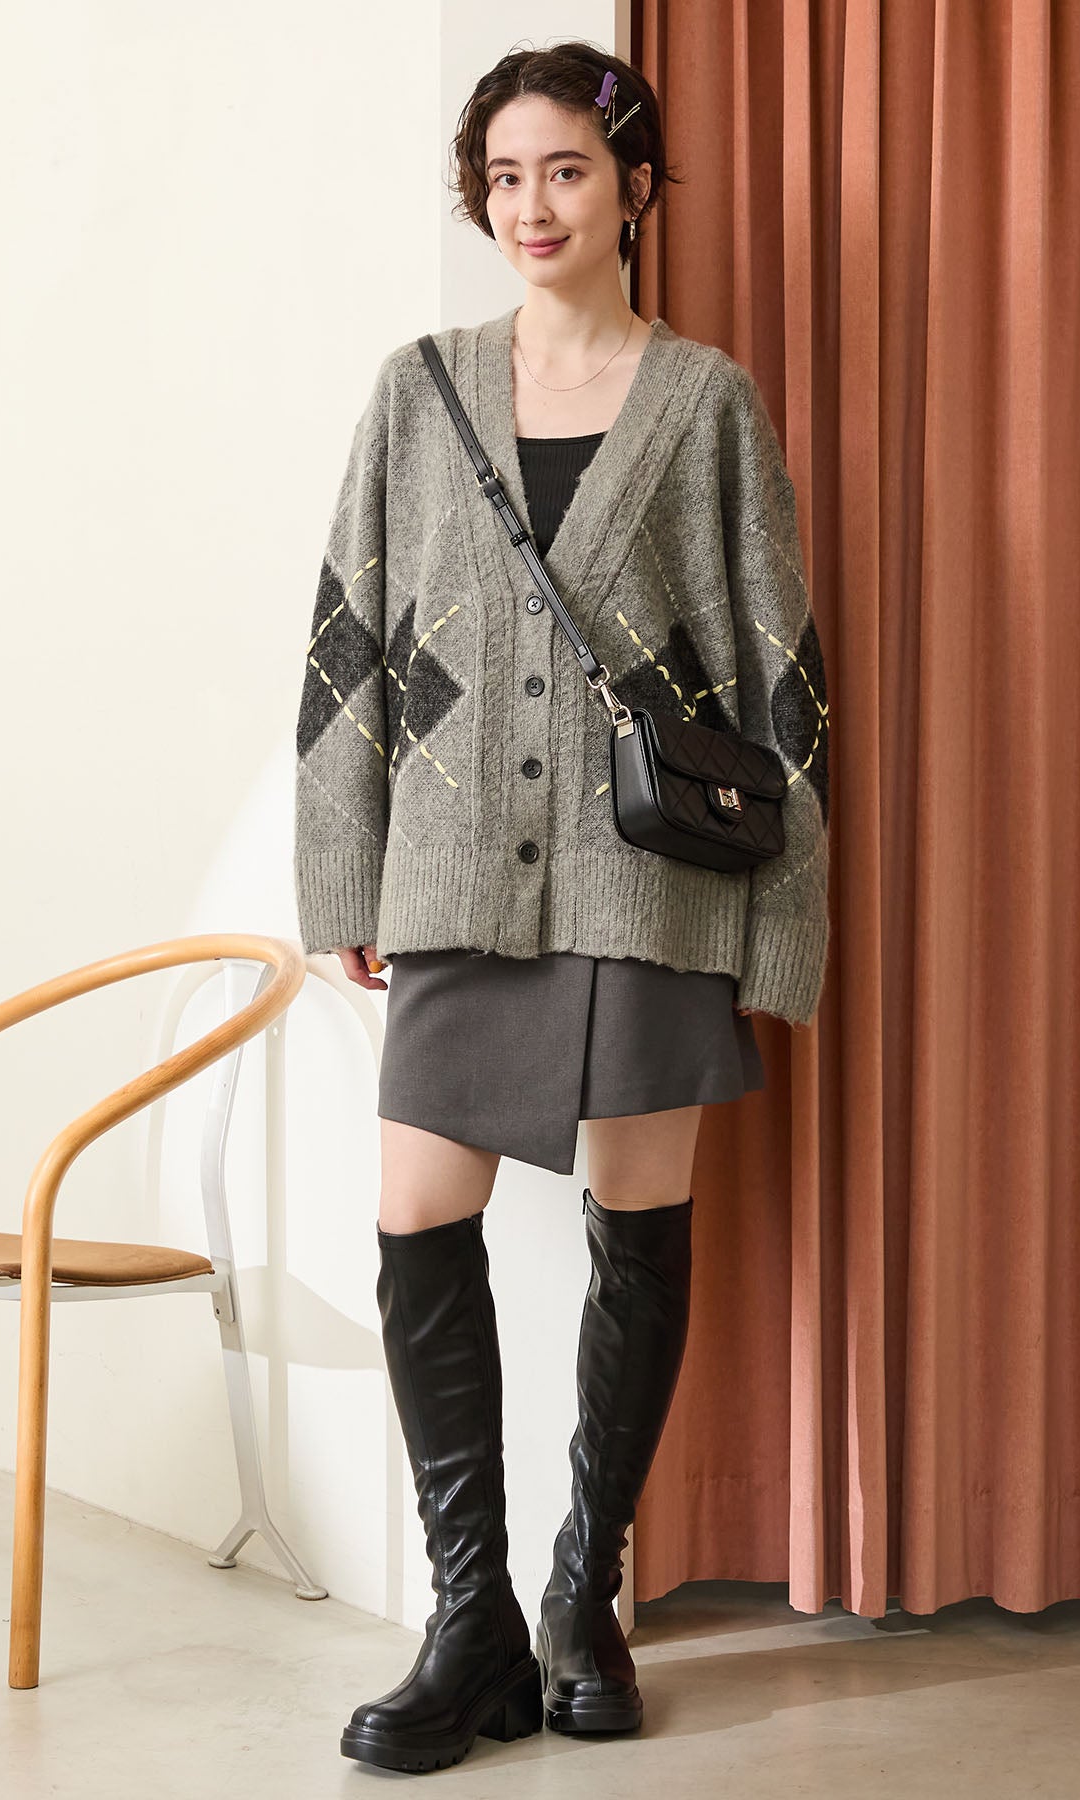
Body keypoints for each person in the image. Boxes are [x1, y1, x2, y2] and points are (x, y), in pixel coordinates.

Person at [293, 40, 830, 1775]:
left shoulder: (707, 403)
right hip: (455, 870)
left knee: (639, 1219)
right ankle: (469, 1626)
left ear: (635, 189)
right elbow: (349, 642)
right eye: (506, 177)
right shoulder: (419, 390)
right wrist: (343, 872)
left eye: (568, 171)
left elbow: (779, 671)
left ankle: (582, 1594)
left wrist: (784, 927)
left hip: (649, 877)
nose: (532, 206)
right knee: (417, 1215)